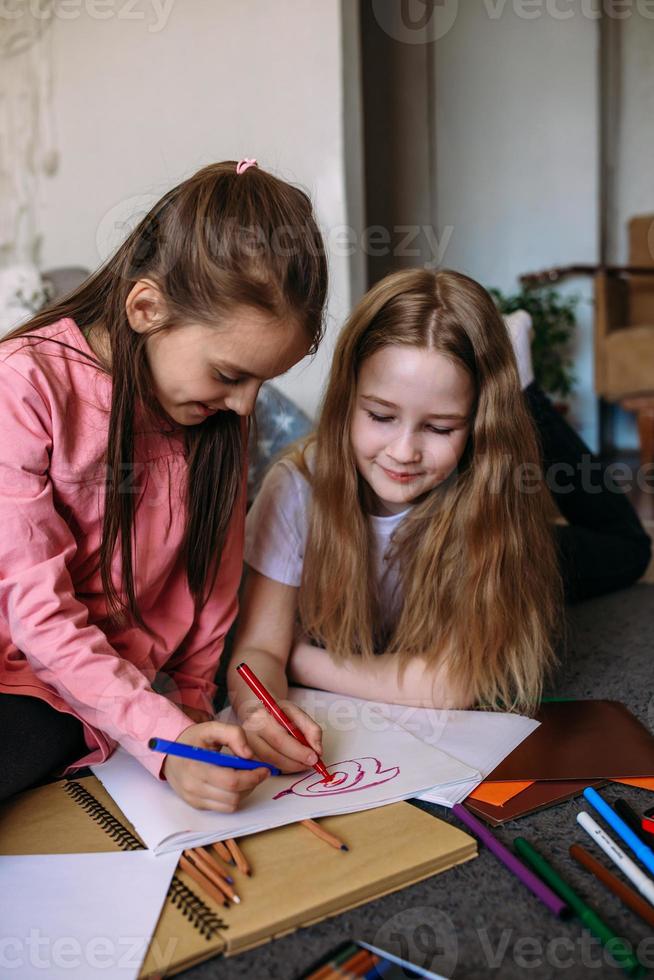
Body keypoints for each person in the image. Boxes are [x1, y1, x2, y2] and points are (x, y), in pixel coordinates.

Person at [229, 268, 651, 775]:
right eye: (381, 416)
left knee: (629, 549)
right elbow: (255, 651)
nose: (404, 452)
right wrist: (261, 712)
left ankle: (524, 386)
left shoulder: (491, 494)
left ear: (476, 426)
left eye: (439, 426)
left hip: (512, 541)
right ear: (346, 403)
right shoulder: (296, 487)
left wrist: (299, 661)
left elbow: (449, 685)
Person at [0, 159, 328, 809]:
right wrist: (162, 735)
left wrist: (194, 712)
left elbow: (211, 587)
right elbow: (39, 615)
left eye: (261, 383)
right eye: (231, 375)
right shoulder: (24, 386)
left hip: (110, 694)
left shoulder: (215, 413)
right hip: (23, 673)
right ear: (147, 308)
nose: (244, 407)